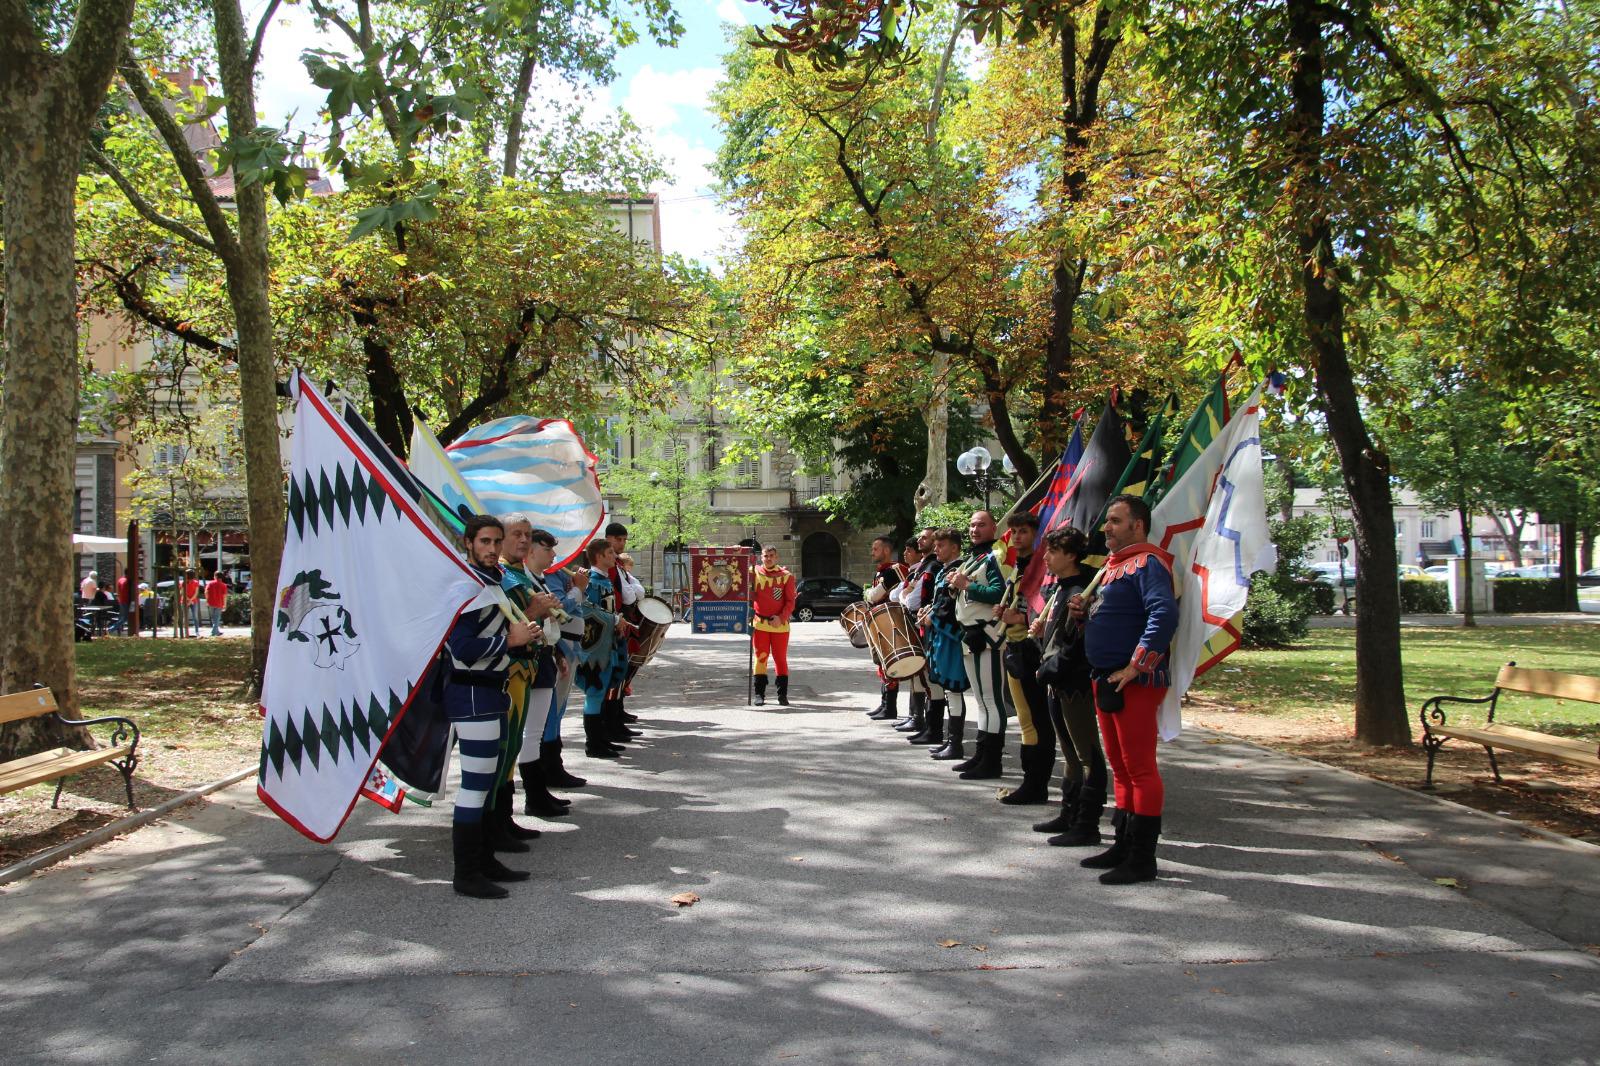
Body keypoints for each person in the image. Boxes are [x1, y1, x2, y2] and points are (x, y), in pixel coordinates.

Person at [1069, 495, 1178, 885]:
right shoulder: (1115, 567)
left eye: (1115, 521)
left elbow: (1163, 613)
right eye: (1106, 522)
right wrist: (1084, 615)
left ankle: (1142, 858)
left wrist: (1137, 665)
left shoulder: (1148, 563)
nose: (1107, 529)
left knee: (1140, 768)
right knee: (1120, 765)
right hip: (1106, 678)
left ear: (1138, 525)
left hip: (1134, 681)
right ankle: (1123, 843)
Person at [443, 514, 536, 899]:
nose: (493, 549)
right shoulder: (464, 587)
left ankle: (482, 860)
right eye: (485, 541)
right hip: (471, 694)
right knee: (475, 786)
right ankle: (466, 872)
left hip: (490, 691)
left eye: (496, 541)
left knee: (488, 783)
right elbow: (459, 649)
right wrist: (510, 642)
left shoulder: (488, 583)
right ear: (468, 543)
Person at [1031, 526, 1105, 844]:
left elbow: (1078, 642)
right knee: (1070, 754)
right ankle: (1069, 813)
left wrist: (1053, 666)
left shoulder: (1081, 590)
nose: (1046, 557)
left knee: (1087, 753)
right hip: (1056, 681)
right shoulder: (1061, 589)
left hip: (1073, 681)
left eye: (1053, 551)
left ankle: (1087, 823)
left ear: (1071, 556)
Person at [498, 516, 569, 825]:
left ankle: (526, 801)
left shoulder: (520, 576)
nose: (524, 540)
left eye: (527, 535)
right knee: (510, 741)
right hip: (509, 670)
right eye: (517, 534)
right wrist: (535, 611)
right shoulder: (500, 576)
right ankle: (501, 817)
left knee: (521, 737)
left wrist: (556, 649)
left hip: (531, 664)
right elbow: (502, 627)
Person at [996, 511, 1054, 804]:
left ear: (1036, 534)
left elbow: (1047, 607)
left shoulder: (1043, 566)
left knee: (1037, 720)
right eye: (1014, 532)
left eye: (1023, 532)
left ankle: (1036, 784)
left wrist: (1017, 615)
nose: (1017, 538)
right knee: (1024, 718)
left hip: (1033, 651)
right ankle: (1030, 781)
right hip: (1014, 647)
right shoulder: (1016, 566)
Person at [945, 510, 1008, 779]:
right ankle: (981, 755)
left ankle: (992, 760)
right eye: (971, 525)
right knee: (981, 701)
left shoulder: (996, 557)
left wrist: (967, 585)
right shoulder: (975, 558)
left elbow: (1000, 592)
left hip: (988, 635)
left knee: (992, 701)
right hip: (970, 634)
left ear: (993, 527)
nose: (974, 529)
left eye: (981, 525)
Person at [576, 538, 635, 757]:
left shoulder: (604, 580)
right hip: (595, 650)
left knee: (601, 692)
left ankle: (601, 738)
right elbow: (588, 611)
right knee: (594, 692)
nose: (615, 556)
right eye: (610, 553)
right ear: (600, 556)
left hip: (607, 644)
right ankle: (594, 744)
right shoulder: (591, 581)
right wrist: (614, 620)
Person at [922, 529, 971, 760]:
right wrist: (929, 610)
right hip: (940, 636)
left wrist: (934, 616)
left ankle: (956, 743)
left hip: (951, 636)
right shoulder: (945, 570)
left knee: (954, 689)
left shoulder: (960, 569)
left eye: (941, 545)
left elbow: (951, 606)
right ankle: (950, 740)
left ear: (954, 547)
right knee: (947, 689)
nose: (936, 549)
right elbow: (938, 600)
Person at [864, 535, 908, 722]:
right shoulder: (881, 572)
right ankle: (885, 704)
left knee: (889, 664)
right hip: (881, 622)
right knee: (882, 664)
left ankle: (890, 707)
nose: (872, 552)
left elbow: (874, 596)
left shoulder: (893, 571)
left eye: (876, 548)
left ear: (886, 550)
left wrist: (867, 593)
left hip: (890, 622)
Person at [751, 545, 796, 706]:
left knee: (780, 659)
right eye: (765, 555)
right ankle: (759, 694)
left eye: (771, 555)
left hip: (779, 625)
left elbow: (791, 602)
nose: (768, 558)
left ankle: (782, 695)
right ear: (761, 557)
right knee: (761, 658)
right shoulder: (754, 573)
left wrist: (781, 618)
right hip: (760, 624)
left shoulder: (786, 576)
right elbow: (736, 571)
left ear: (776, 557)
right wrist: (738, 552)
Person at [204, 572, 229, 636]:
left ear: (215, 576)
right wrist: (225, 605)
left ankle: (216, 631)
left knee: (213, 618)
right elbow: (224, 596)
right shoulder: (224, 585)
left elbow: (206, 592)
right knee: (217, 618)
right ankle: (214, 632)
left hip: (211, 603)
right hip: (219, 603)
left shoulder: (210, 583)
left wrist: (207, 600)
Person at [183, 569, 202, 637]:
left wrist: (191, 600)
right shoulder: (183, 582)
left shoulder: (196, 582)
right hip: (185, 601)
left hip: (193, 601)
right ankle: (185, 632)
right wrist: (188, 600)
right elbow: (182, 592)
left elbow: (196, 593)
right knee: (185, 617)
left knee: (195, 617)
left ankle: (197, 631)